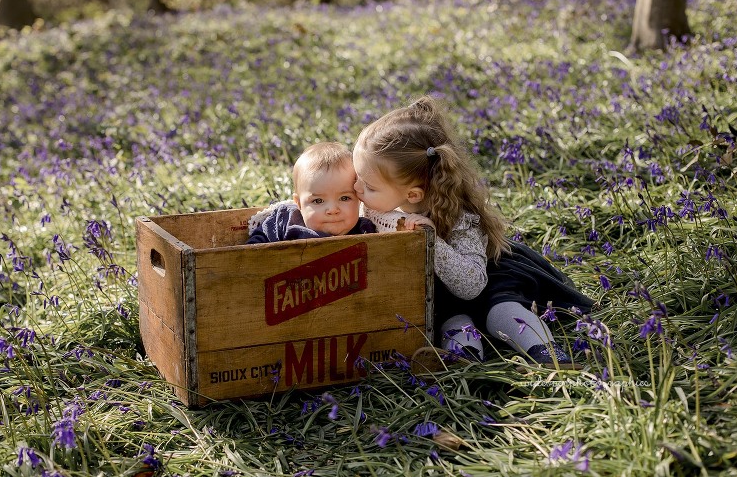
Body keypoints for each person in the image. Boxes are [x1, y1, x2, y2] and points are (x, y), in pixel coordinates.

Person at [352, 95, 594, 366]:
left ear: (413, 193)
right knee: (451, 318)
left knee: (500, 310)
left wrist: (431, 242)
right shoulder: (377, 206)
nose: (357, 189)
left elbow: (471, 286)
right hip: (443, 292)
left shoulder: (457, 217)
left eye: (369, 186)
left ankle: (547, 353)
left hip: (488, 275)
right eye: (357, 177)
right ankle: (464, 358)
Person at [247, 142, 376, 244]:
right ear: (299, 204)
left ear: (359, 199)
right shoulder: (285, 221)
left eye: (344, 198)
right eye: (318, 201)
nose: (332, 210)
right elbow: (254, 246)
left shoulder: (364, 231)